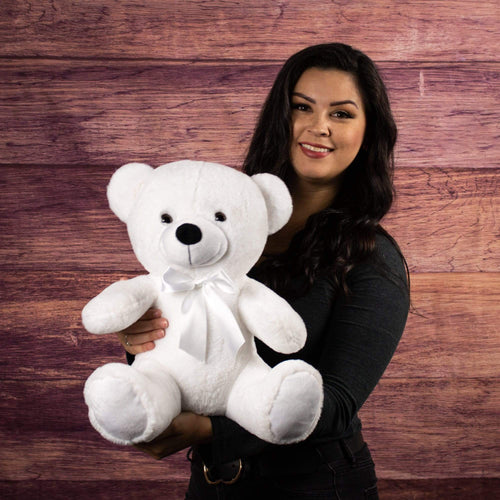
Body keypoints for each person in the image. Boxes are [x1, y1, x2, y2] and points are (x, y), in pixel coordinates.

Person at [115, 43, 410, 499]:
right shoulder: (223, 227)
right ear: (280, 116)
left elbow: (336, 403)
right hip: (213, 483)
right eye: (302, 107)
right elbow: (186, 348)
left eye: (342, 114)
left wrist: (210, 430)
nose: (318, 127)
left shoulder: (371, 257)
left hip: (316, 484)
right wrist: (141, 342)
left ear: (369, 131)